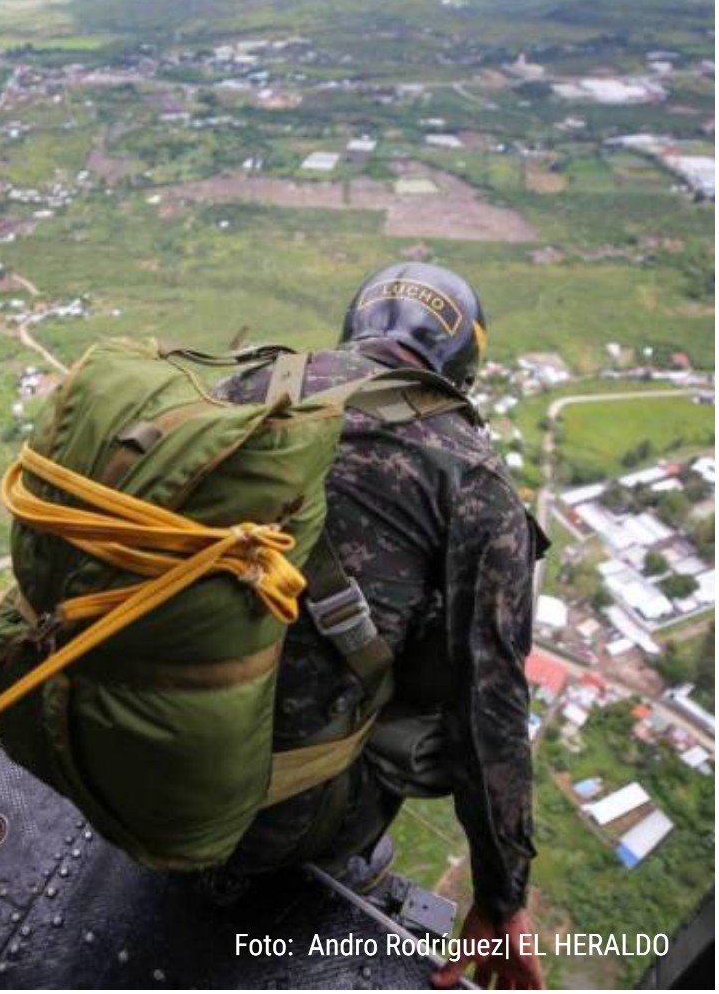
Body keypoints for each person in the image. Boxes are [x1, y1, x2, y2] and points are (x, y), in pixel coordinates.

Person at [214, 264, 547, 990]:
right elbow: (492, 711)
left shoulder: (247, 384)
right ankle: (343, 865)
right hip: (265, 821)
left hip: (126, 735)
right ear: (462, 366)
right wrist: (503, 897)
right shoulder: (473, 479)